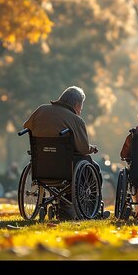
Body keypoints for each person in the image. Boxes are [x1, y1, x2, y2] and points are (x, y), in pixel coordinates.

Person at [23, 85, 100, 219]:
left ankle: (63, 207)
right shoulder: (76, 120)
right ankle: (90, 210)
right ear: (76, 104)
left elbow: (27, 126)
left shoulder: (41, 110)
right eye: (81, 107)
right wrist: (92, 148)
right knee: (92, 167)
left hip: (42, 166)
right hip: (66, 169)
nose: (80, 111)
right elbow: (83, 148)